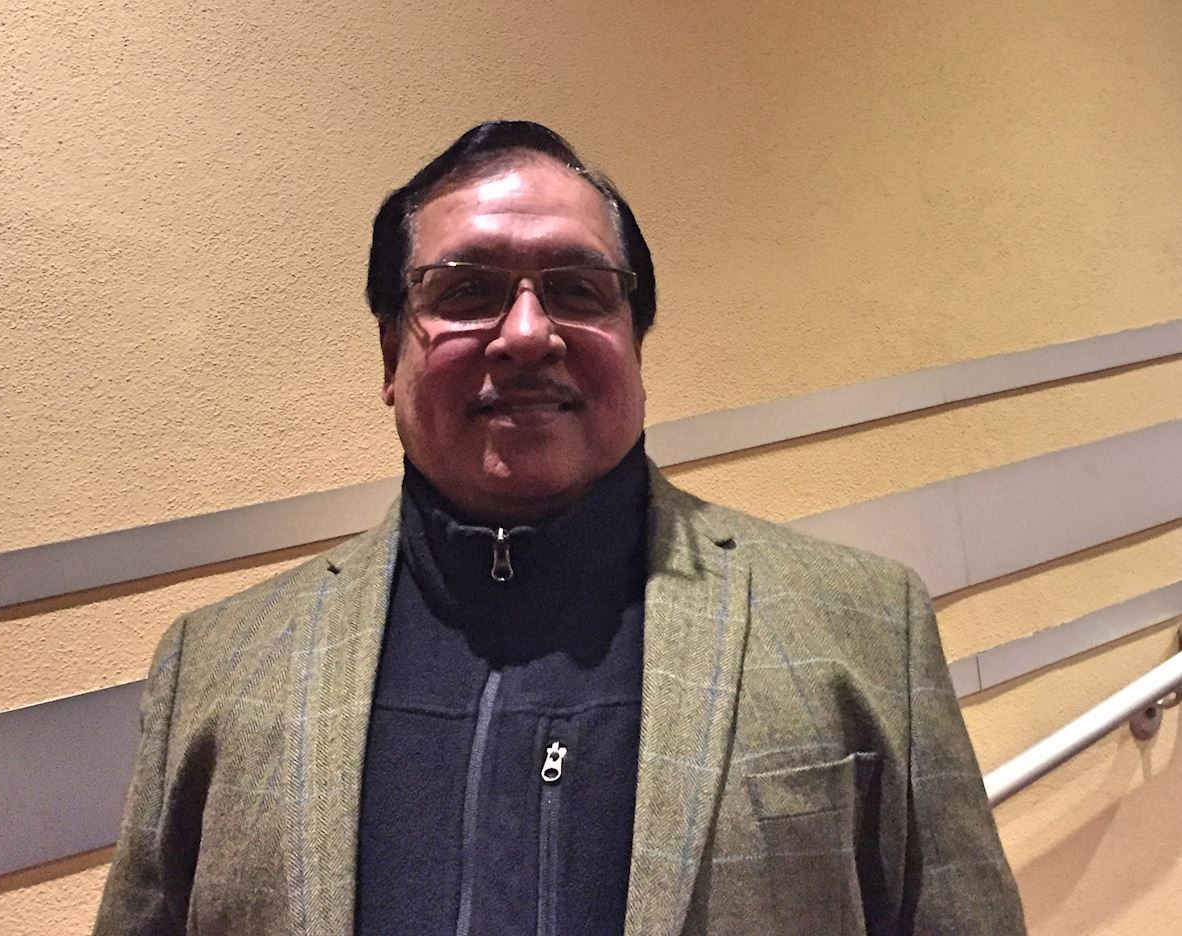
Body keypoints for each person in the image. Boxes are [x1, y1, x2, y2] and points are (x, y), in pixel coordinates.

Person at [94, 121, 1026, 935]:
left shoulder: (865, 628)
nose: (528, 333)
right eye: (467, 290)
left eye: (579, 290)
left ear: (634, 343)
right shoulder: (218, 668)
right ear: (390, 352)